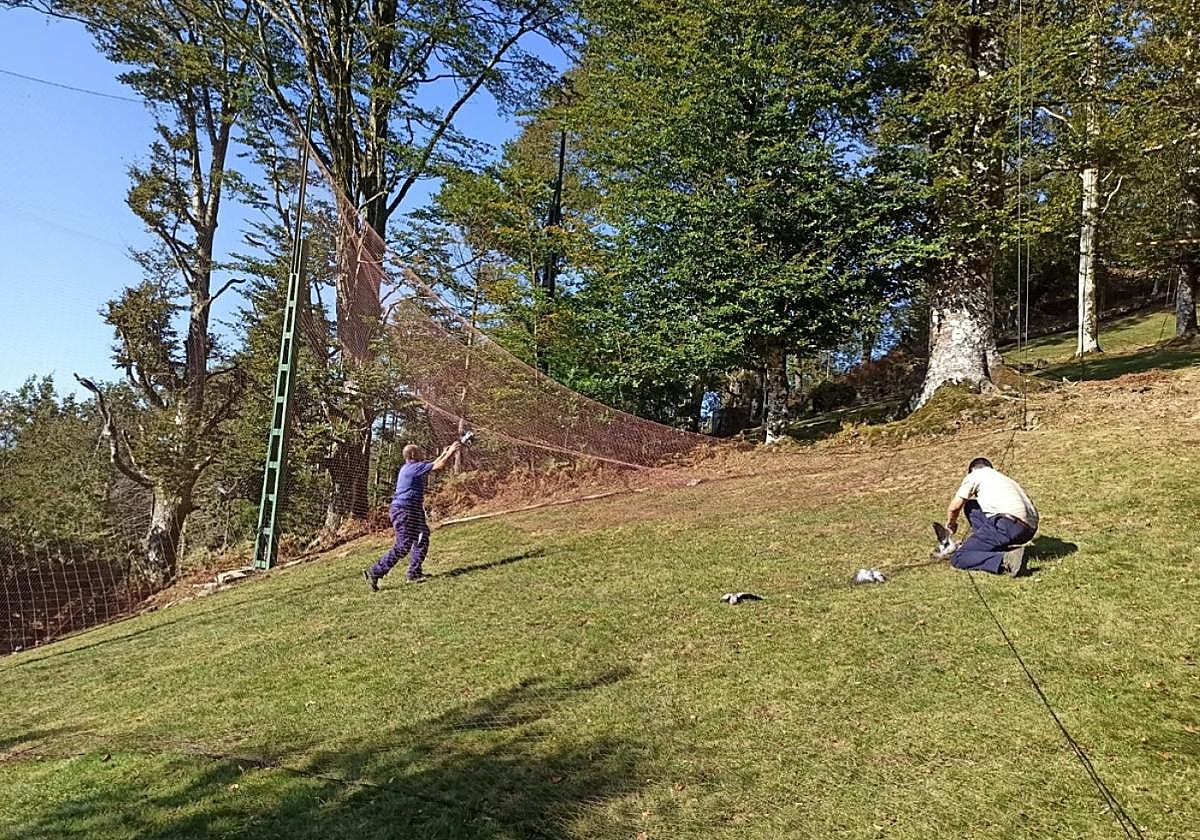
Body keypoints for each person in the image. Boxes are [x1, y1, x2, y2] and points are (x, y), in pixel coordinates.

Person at [364, 439, 461, 589]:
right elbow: (438, 466)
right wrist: (451, 452)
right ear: (414, 454)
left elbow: (434, 463)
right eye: (420, 451)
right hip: (404, 510)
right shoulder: (413, 468)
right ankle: (375, 571)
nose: (423, 453)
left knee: (422, 537)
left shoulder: (411, 467)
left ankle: (414, 573)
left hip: (412, 508)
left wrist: (444, 453)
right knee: (403, 545)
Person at [938, 457, 1039, 576]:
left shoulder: (974, 476)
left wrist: (951, 524)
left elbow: (954, 508)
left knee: (959, 557)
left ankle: (1006, 560)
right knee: (971, 505)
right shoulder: (1005, 479)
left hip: (1008, 524)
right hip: (1029, 530)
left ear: (972, 470)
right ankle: (986, 545)